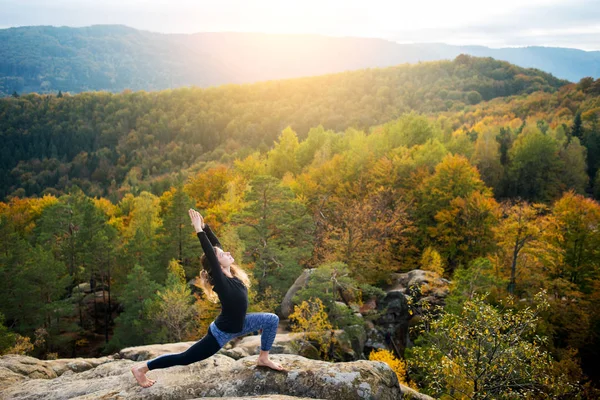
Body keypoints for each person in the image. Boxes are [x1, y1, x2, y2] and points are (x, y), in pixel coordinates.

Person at [131, 209, 284, 387]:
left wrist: (205, 227)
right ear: (216, 264)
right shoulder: (221, 281)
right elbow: (211, 253)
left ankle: (263, 358)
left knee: (272, 320)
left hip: (241, 324)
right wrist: (198, 231)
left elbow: (215, 247)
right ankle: (141, 369)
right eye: (222, 255)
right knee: (186, 358)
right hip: (222, 333)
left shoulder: (232, 273)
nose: (227, 253)